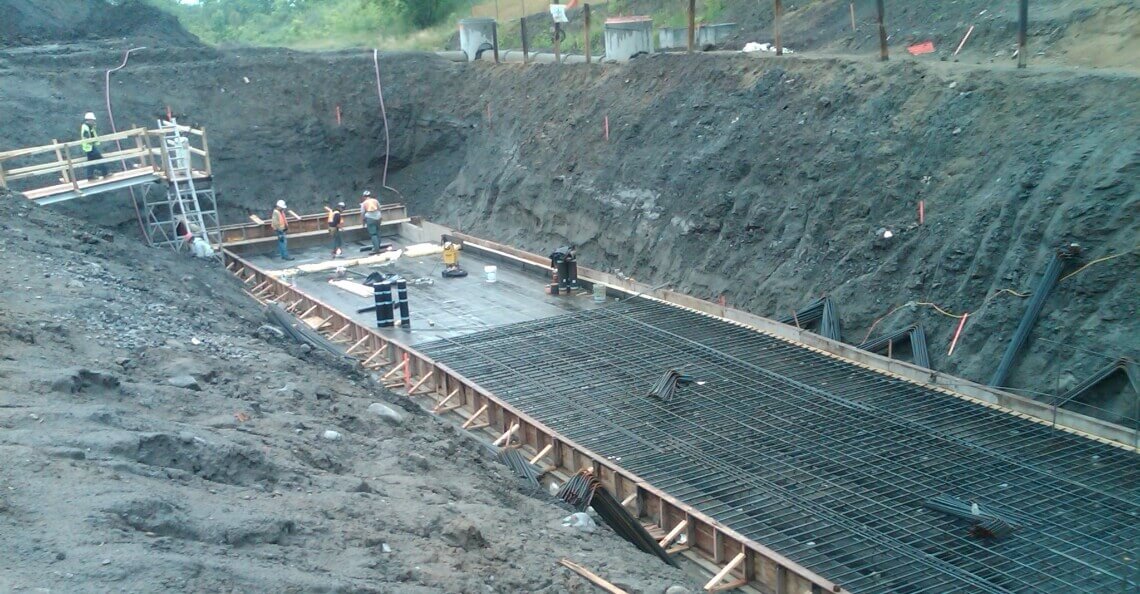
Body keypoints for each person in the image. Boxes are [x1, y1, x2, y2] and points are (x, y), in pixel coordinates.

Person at [80, 112, 109, 180]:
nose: (93, 121)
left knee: (91, 162)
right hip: (89, 146)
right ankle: (105, 173)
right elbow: (86, 137)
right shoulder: (86, 127)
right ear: (89, 120)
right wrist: (92, 141)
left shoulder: (89, 126)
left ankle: (90, 176)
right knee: (100, 159)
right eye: (92, 120)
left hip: (89, 146)